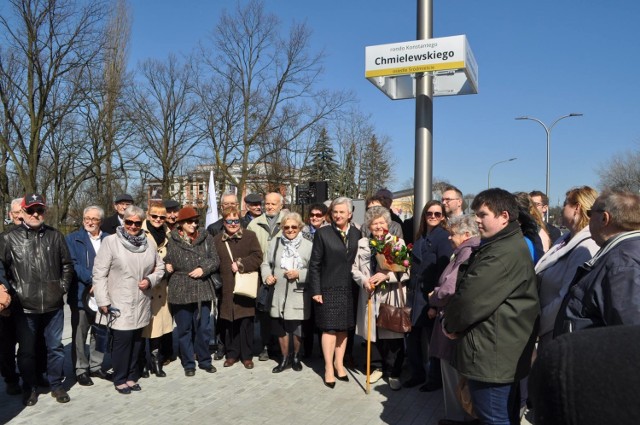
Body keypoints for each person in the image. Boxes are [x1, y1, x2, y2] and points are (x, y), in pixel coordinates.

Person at [442, 188, 539, 425]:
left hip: (492, 355)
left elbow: (469, 300)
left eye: (483, 214)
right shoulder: (501, 244)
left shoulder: (502, 253)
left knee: (494, 418)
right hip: (497, 350)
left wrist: (449, 324)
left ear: (504, 216)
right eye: (476, 213)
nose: (476, 219)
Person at [0, 194, 74, 406]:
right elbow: (0, 267)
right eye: (31, 210)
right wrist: (9, 292)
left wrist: (61, 288)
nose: (35, 214)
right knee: (26, 352)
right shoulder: (8, 238)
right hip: (24, 307)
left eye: (39, 210)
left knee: (55, 348)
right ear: (22, 212)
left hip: (53, 305)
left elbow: (67, 265)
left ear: (45, 212)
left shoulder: (55, 236)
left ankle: (56, 385)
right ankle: (29, 387)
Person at [93, 205, 165, 395]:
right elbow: (99, 274)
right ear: (123, 221)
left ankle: (132, 376)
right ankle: (120, 378)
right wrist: (103, 300)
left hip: (141, 300)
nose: (133, 226)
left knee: (137, 342)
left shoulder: (148, 243)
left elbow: (161, 268)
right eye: (129, 222)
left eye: (137, 223)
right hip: (119, 301)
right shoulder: (110, 242)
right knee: (122, 342)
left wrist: (150, 280)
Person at [555, 189, 640, 335]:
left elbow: (629, 337)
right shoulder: (622, 256)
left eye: (590, 213)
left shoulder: (622, 266)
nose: (588, 220)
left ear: (604, 219)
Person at [428, 215, 481, 425]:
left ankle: (457, 418)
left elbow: (450, 288)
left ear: (467, 235)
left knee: (454, 377)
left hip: (451, 323)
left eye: (453, 234)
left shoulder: (466, 252)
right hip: (454, 320)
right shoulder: (468, 250)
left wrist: (434, 297)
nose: (449, 238)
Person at [352, 206, 410, 391]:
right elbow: (354, 269)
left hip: (389, 295)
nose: (378, 226)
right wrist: (363, 281)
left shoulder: (397, 243)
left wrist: (387, 276)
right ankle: (377, 367)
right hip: (369, 294)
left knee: (392, 334)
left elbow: (406, 271)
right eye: (374, 223)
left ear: (388, 224)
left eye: (381, 222)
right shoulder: (362, 243)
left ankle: (394, 372)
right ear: (369, 225)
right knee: (372, 334)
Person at [535, 186, 599, 350]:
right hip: (548, 329)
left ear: (576, 208)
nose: (562, 208)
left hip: (556, 332)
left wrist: (536, 326)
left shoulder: (586, 246)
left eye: (565, 204)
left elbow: (566, 298)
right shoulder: (565, 238)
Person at [309, 197, 362, 388]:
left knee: (344, 328)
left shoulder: (358, 233)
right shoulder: (323, 233)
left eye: (342, 212)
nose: (338, 215)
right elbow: (314, 264)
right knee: (329, 329)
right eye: (335, 212)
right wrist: (315, 290)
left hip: (350, 289)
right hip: (328, 288)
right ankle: (328, 367)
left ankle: (340, 364)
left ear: (350, 214)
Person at [164, 206, 220, 376]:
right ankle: (188, 363)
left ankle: (204, 360)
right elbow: (168, 259)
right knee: (184, 329)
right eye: (189, 222)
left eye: (196, 221)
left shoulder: (206, 237)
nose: (194, 225)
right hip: (180, 286)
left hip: (202, 286)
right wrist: (166, 264)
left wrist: (203, 269)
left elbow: (215, 260)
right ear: (180, 223)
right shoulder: (172, 239)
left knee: (203, 327)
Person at [405, 200, 453, 391]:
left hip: (429, 298)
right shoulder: (422, 236)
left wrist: (435, 304)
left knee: (431, 341)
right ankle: (417, 374)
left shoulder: (443, 238)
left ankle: (434, 379)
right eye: (429, 214)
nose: (433, 217)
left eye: (437, 214)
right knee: (412, 337)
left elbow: (443, 271)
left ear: (443, 217)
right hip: (415, 295)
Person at [260, 212, 312, 373]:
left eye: (294, 227)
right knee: (280, 328)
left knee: (296, 328)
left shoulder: (308, 245)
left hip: (299, 292)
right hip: (278, 292)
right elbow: (265, 263)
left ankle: (296, 356)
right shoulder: (275, 243)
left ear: (300, 227)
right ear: (282, 228)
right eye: (287, 227)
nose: (290, 230)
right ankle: (284, 358)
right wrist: (267, 276)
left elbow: (315, 270)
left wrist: (300, 274)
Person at [213, 206, 263, 370]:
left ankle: (247, 356)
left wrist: (241, 264)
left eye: (236, 220)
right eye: (229, 221)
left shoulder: (250, 236)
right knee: (230, 324)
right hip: (227, 288)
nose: (233, 224)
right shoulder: (218, 240)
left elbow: (258, 257)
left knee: (246, 323)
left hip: (245, 287)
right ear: (224, 222)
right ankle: (232, 354)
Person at [66, 205, 110, 387]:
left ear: (101, 221)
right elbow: (72, 264)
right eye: (87, 218)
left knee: (100, 332)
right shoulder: (72, 239)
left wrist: (102, 284)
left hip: (104, 294)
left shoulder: (110, 239)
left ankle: (96, 365)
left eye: (94, 219)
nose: (90, 222)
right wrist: (94, 280)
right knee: (80, 333)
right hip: (81, 294)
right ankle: (81, 369)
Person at [247, 192, 285, 361]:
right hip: (261, 275)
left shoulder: (289, 222)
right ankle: (265, 345)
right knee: (264, 313)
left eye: (273, 204)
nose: (269, 207)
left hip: (283, 274)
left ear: (281, 206)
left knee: (281, 312)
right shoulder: (254, 224)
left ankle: (280, 346)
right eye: (267, 204)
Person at [140, 202, 174, 377]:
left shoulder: (169, 233)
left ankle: (156, 360)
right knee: (142, 326)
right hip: (145, 286)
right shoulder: (139, 230)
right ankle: (142, 362)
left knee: (158, 327)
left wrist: (170, 266)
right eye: (154, 216)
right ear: (148, 214)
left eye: (162, 217)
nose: (158, 220)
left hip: (163, 287)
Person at [0, 198, 23, 396]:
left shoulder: (33, 235)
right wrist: (4, 295)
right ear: (10, 215)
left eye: (21, 211)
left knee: (30, 342)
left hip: (28, 299)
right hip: (9, 298)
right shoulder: (3, 238)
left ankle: (33, 375)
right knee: (6, 345)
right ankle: (11, 378)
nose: (18, 215)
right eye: (15, 212)